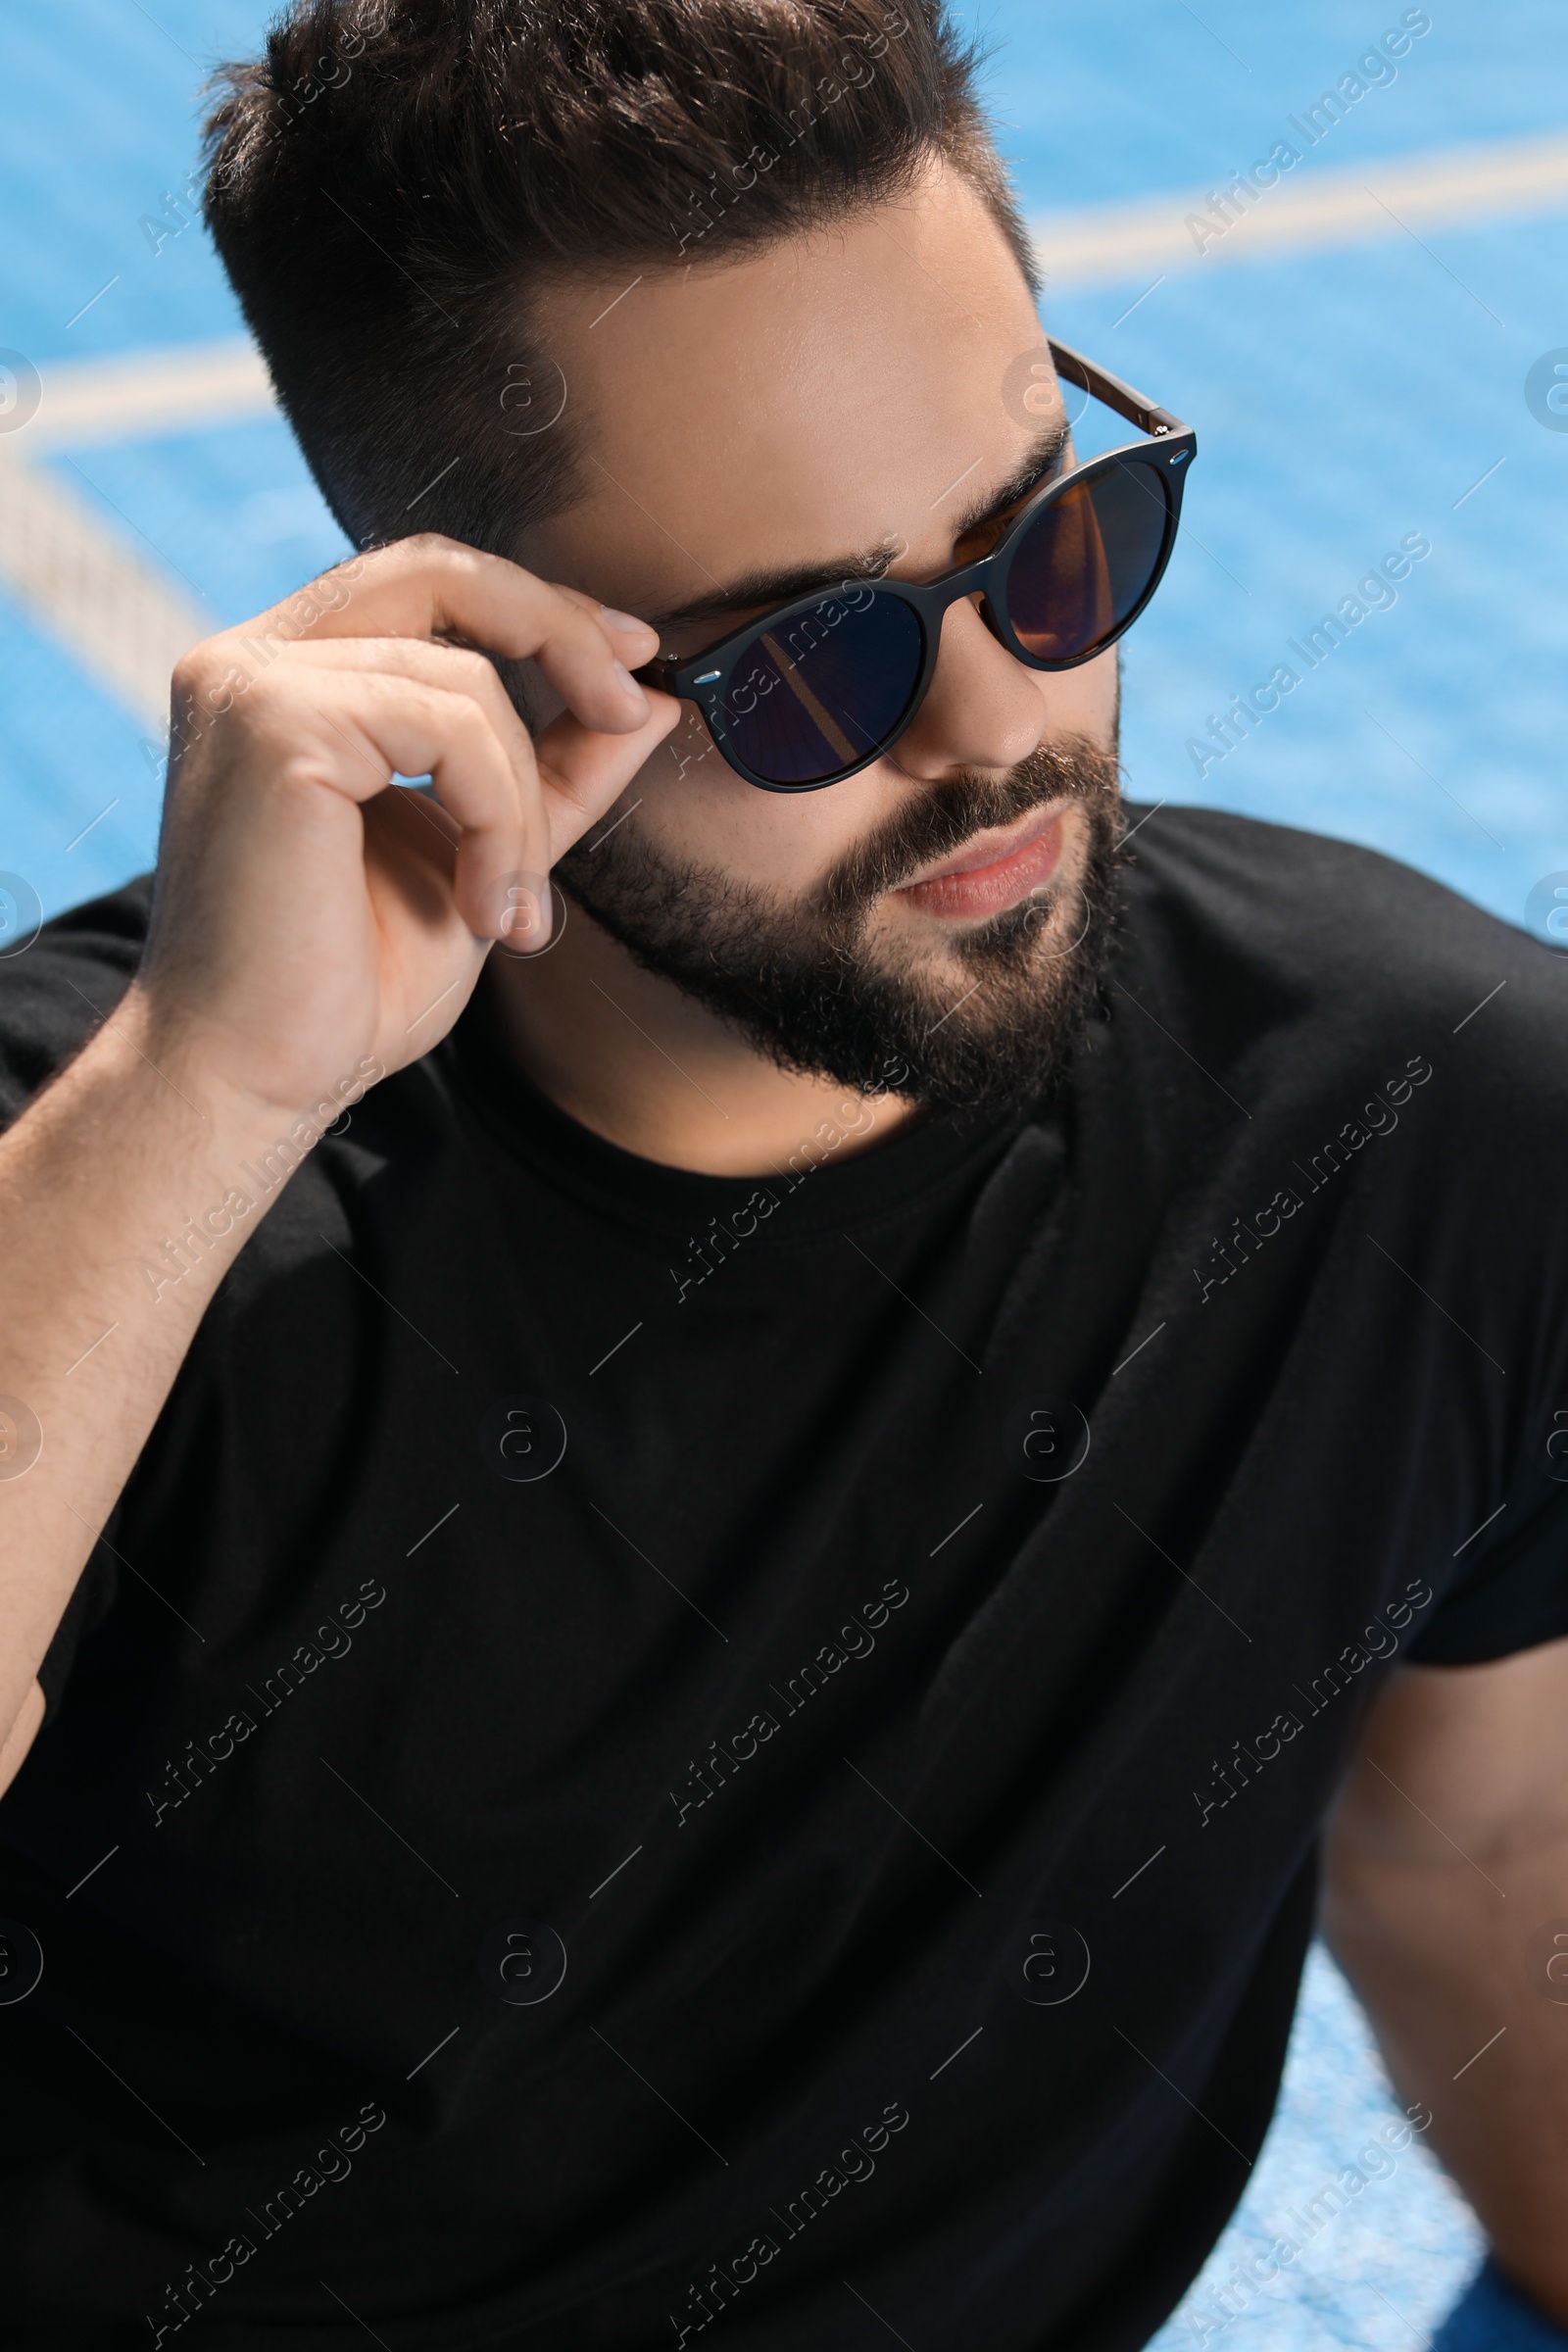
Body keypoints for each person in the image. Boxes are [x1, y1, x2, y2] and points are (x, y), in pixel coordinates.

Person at [1, 1, 1565, 2344]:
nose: (991, 733)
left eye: (1048, 545)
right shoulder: (106, 1178)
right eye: (816, 662)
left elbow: (1476, 1841)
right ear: (468, 650)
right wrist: (209, 1097)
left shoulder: (1415, 1116)